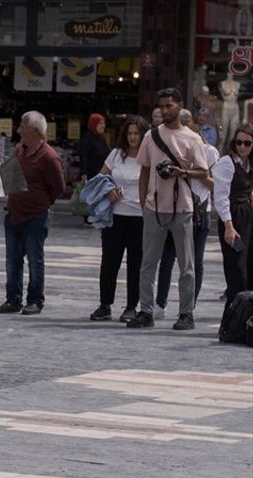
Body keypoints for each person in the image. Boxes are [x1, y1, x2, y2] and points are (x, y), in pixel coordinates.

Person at [129, 88, 211, 330]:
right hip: (154, 208)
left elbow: (204, 172)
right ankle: (145, 310)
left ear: (179, 106)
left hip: (183, 208)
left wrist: (182, 172)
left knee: (187, 264)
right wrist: (144, 201)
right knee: (148, 263)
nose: (164, 110)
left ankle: (186, 313)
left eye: (169, 106)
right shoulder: (151, 137)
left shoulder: (192, 138)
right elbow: (144, 169)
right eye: (161, 106)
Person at [0, 111, 65, 316]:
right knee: (13, 260)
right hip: (14, 213)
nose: (19, 130)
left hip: (36, 216)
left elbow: (58, 187)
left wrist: (43, 203)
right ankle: (13, 299)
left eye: (23, 127)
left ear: (35, 132)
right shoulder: (19, 150)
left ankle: (35, 300)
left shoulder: (49, 157)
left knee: (35, 260)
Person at [156, 109, 219, 317]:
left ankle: (189, 306)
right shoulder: (170, 149)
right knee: (167, 258)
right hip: (175, 208)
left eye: (184, 123)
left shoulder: (209, 152)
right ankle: (160, 303)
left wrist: (190, 172)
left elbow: (213, 184)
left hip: (200, 211)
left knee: (195, 262)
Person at [90, 115, 149, 323]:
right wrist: (109, 191)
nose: (133, 138)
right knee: (109, 262)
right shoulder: (116, 155)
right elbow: (101, 177)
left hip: (139, 217)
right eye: (130, 133)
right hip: (115, 216)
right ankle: (105, 304)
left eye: (137, 134)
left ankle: (132, 306)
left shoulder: (149, 157)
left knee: (136, 264)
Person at [212, 123, 253, 304]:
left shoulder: (249, 163)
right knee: (236, 268)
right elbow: (220, 197)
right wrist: (228, 225)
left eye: (247, 143)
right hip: (233, 216)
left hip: (247, 215)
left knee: (248, 265)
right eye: (239, 142)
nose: (242, 147)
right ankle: (235, 317)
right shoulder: (226, 163)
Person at [80, 113, 110, 180]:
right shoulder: (88, 138)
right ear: (94, 125)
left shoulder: (102, 138)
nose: (103, 126)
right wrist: (83, 173)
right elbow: (84, 156)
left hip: (102, 174)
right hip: (92, 175)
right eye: (100, 124)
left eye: (104, 123)